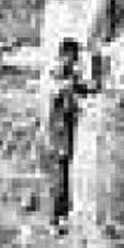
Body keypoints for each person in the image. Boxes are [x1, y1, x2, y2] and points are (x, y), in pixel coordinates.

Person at [35, 38, 86, 236]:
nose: (75, 61)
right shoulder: (53, 74)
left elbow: (76, 90)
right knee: (57, 179)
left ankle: (63, 217)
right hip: (54, 134)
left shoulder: (67, 74)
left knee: (65, 177)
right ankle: (53, 221)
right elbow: (53, 98)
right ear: (65, 55)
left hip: (63, 132)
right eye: (73, 57)